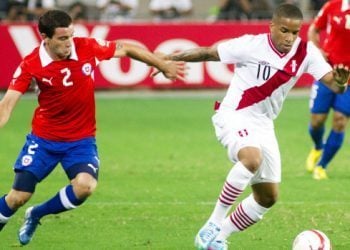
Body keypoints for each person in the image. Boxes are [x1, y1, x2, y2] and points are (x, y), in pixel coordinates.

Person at [160, 3, 349, 249]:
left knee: (267, 197)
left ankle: (217, 239)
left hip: (263, 123)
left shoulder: (306, 53)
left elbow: (334, 85)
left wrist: (342, 83)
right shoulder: (250, 44)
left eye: (295, 32)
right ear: (272, 26)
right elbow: (208, 52)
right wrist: (164, 60)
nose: (290, 38)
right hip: (234, 114)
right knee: (251, 158)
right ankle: (214, 223)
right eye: (284, 31)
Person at [0, 9, 184, 246]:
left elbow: (126, 48)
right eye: (63, 39)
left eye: (71, 36)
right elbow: (6, 107)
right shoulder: (31, 65)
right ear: (45, 38)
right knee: (17, 197)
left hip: (81, 140)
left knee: (85, 186)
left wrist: (162, 64)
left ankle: (37, 214)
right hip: (43, 140)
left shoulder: (86, 47)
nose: (69, 43)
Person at [305, 0, 350, 180]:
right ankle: (317, 147)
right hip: (328, 72)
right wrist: (318, 51)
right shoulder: (333, 5)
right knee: (317, 121)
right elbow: (313, 29)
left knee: (339, 121)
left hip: (349, 78)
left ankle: (322, 166)